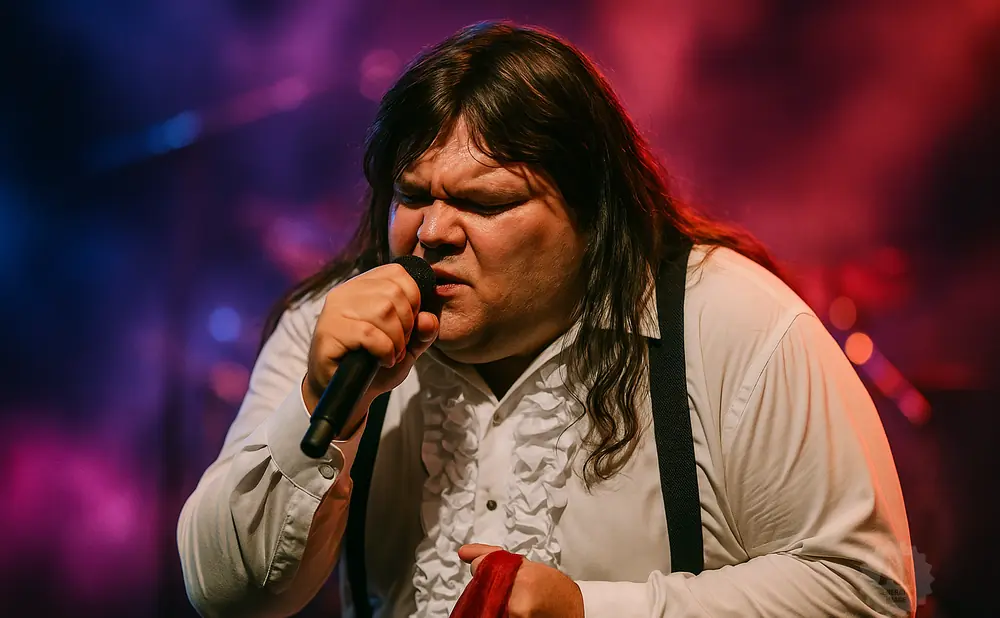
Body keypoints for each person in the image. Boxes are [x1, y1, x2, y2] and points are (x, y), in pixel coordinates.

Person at [177, 21, 916, 618]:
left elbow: (865, 593)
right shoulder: (330, 329)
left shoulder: (733, 323)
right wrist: (322, 407)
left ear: (593, 212)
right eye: (413, 195)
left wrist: (591, 612)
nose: (432, 232)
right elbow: (228, 595)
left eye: (484, 202)